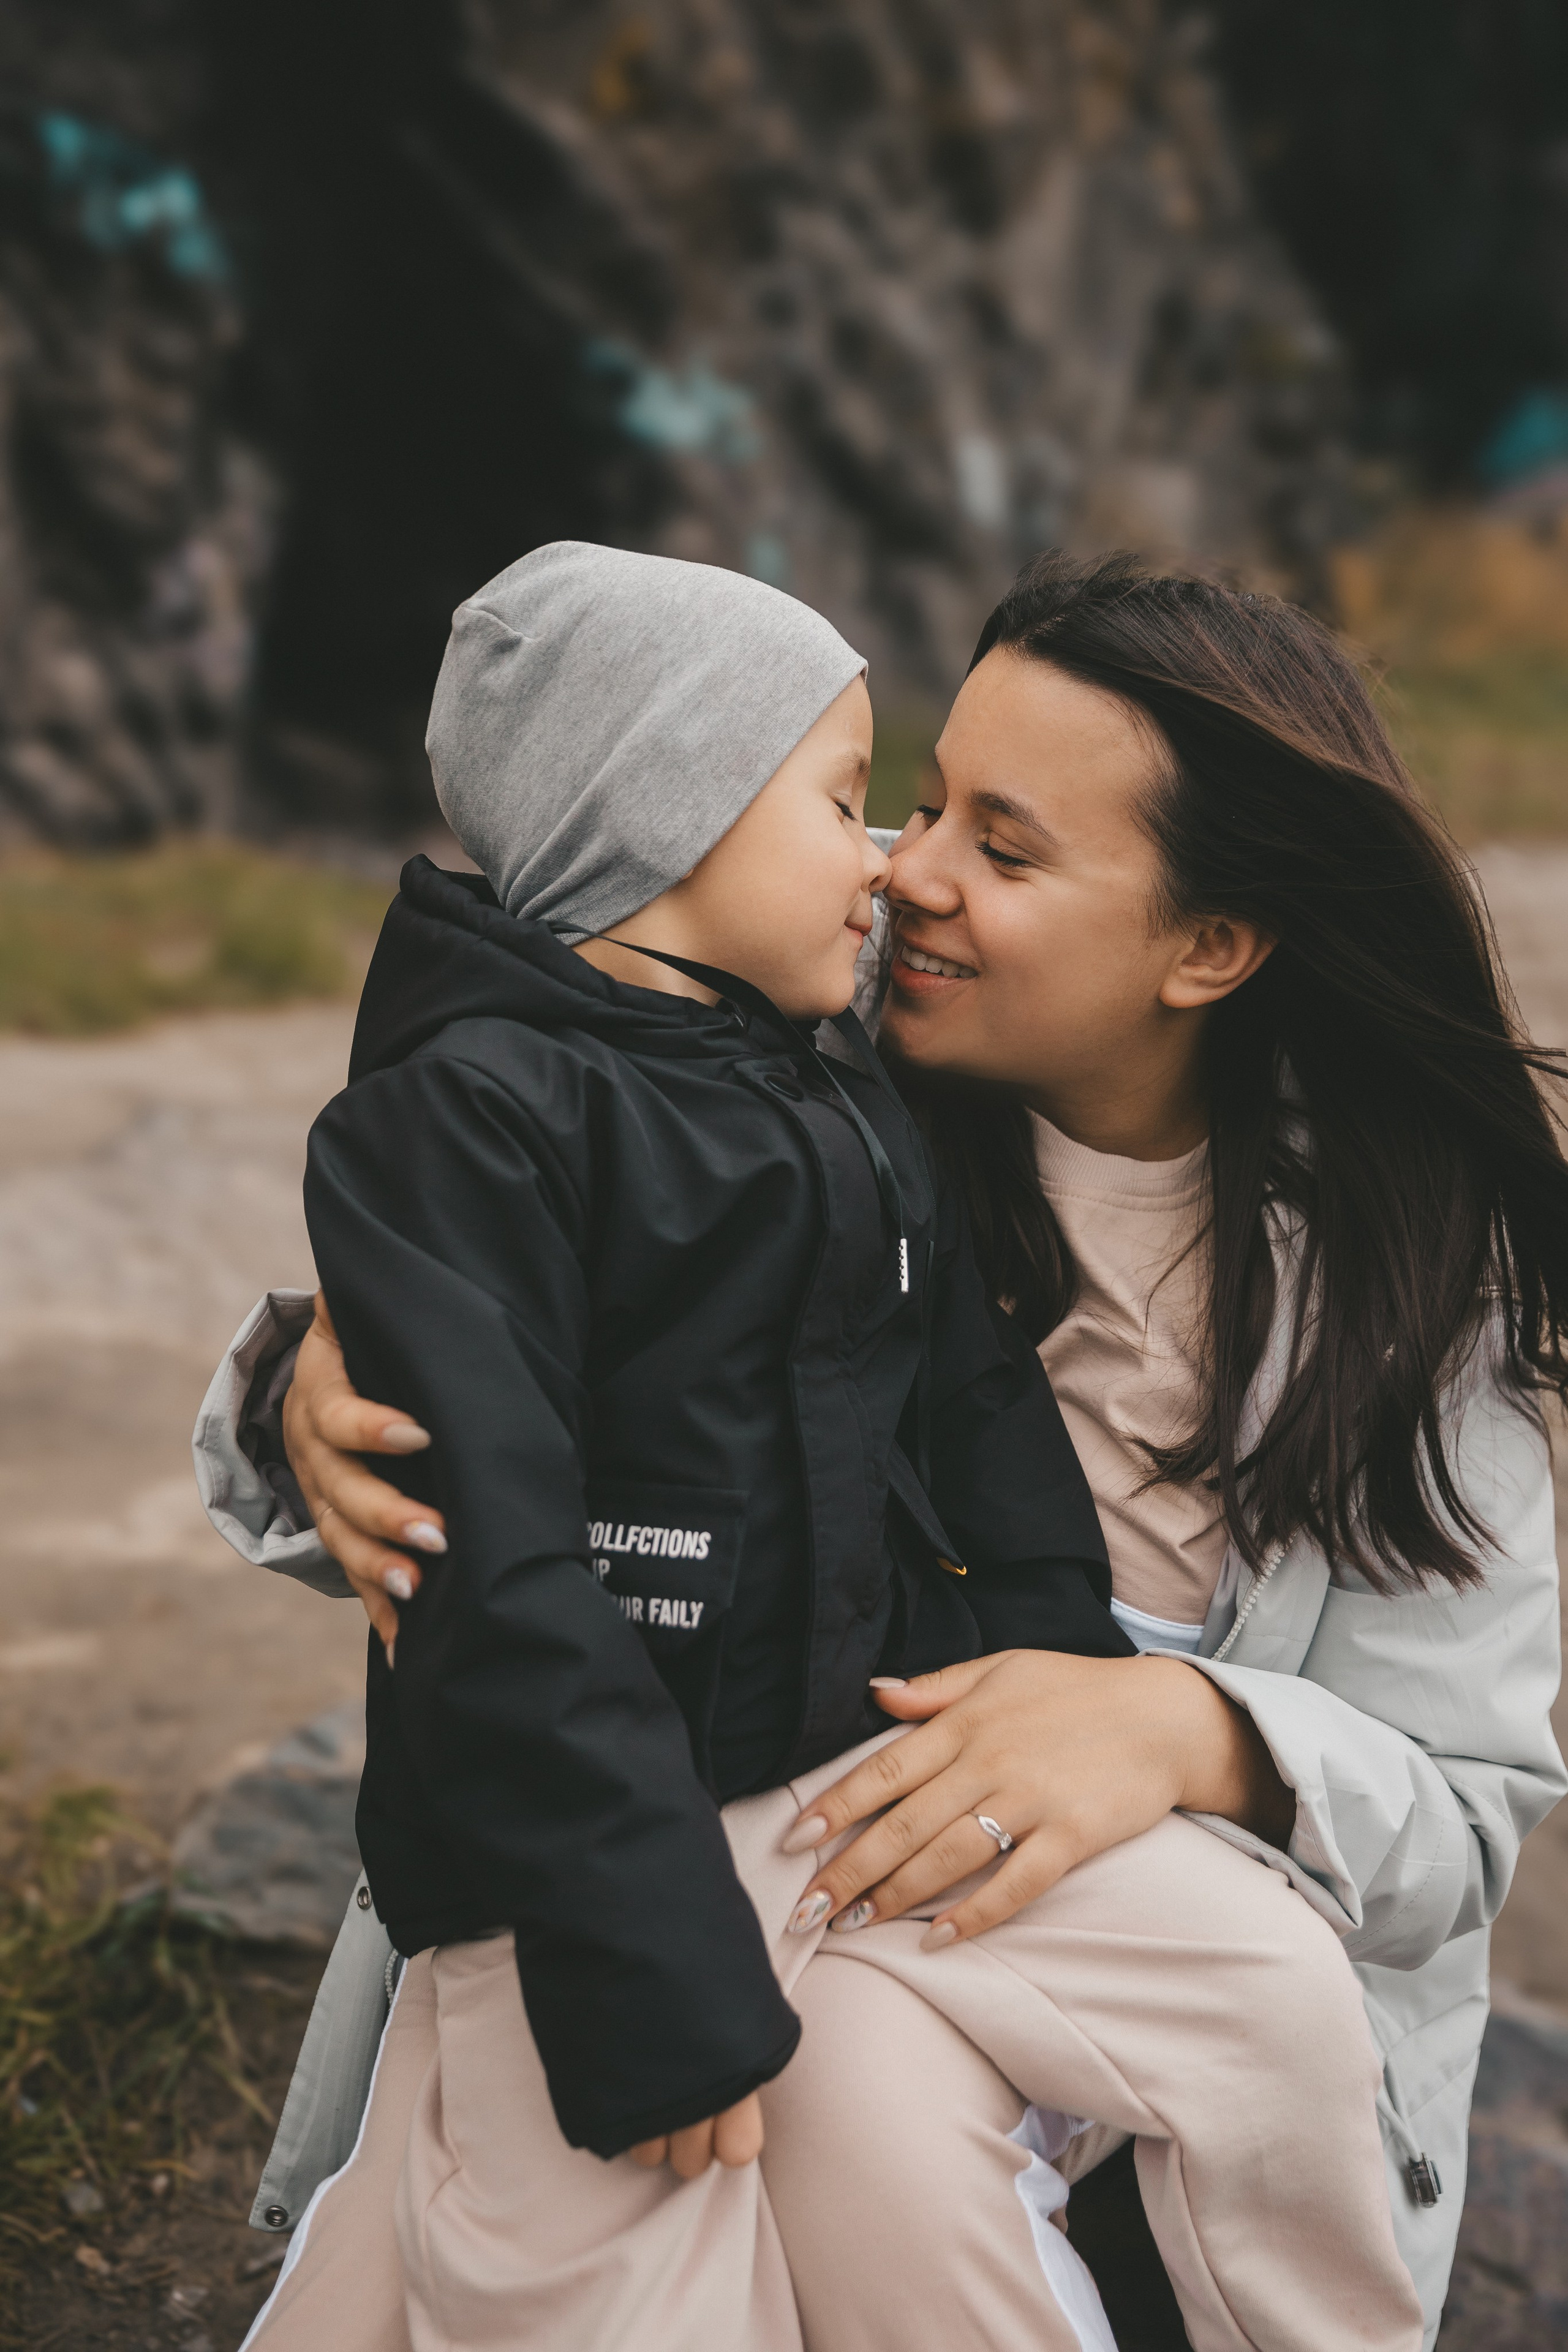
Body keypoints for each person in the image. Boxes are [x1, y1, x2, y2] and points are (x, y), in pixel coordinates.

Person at [203, 548, 1531, 2352]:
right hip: (760, 1908)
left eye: (1006, 844)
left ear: (1210, 946)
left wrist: (1189, 1728)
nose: (908, 871)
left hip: (1137, 2042)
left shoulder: (1411, 1292)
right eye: (902, 803)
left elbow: (1470, 1815)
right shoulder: (801, 1091)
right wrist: (313, 1392)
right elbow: (539, 1438)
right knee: (839, 2115)